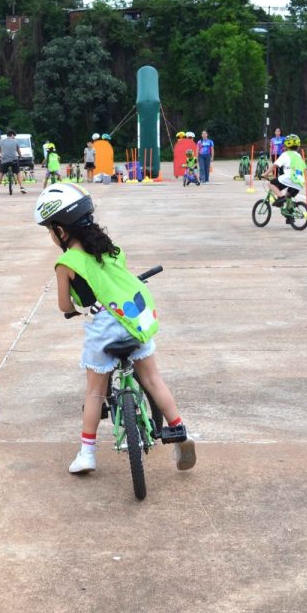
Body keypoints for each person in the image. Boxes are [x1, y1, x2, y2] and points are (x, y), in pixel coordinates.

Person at [34, 182, 196, 475]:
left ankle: (87, 454)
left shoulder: (65, 262)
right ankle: (180, 432)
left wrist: (75, 309)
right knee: (153, 379)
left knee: (94, 394)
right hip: (134, 320)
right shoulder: (111, 251)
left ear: (61, 230)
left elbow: (64, 305)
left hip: (104, 329)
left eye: (49, 230)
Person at [263, 134, 307, 225]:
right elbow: (304, 168)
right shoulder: (299, 156)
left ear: (286, 145)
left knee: (271, 184)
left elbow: (274, 166)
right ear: (298, 146)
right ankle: (290, 216)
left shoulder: (285, 154)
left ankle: (280, 197)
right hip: (299, 181)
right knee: (288, 197)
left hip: (289, 178)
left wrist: (265, 174)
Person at [0, 128, 26, 194]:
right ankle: (22, 187)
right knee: (18, 172)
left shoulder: (1, 141)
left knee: (1, 173)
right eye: (14, 136)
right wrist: (20, 157)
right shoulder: (15, 141)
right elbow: (18, 151)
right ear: (12, 135)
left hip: (4, 160)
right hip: (14, 160)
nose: (14, 137)